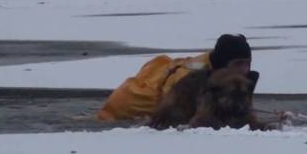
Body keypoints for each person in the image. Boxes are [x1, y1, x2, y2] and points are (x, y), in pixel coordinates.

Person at [97, 34, 257, 121]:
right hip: (126, 107)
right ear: (223, 63)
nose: (244, 70)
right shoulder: (189, 77)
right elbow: (171, 106)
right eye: (238, 63)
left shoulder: (221, 77)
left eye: (247, 63)